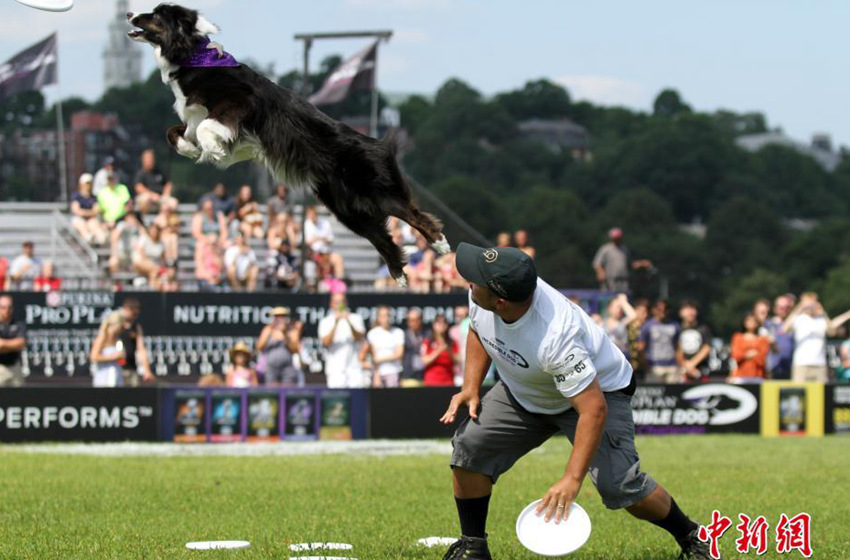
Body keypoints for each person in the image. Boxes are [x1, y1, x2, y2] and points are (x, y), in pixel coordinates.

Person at [439, 243, 711, 560]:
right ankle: (473, 546)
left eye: (475, 279)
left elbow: (593, 410)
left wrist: (572, 478)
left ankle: (693, 537)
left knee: (619, 485)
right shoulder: (484, 296)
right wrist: (471, 387)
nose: (468, 281)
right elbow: (478, 329)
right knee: (471, 448)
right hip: (526, 391)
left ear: (500, 301)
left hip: (597, 394)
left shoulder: (555, 336)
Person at [318, 292, 366, 388]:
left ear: (346, 303)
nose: (340, 305)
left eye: (342, 302)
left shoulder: (355, 318)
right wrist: (336, 322)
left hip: (354, 368)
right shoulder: (325, 321)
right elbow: (326, 342)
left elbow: (359, 338)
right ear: (331, 304)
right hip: (335, 370)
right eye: (337, 302)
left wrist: (348, 321)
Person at [106, 298, 155, 386]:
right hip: (114, 369)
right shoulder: (114, 324)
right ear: (126, 309)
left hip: (131, 369)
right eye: (133, 314)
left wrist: (146, 370)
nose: (134, 317)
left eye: (136, 314)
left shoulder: (136, 327)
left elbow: (141, 349)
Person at [592, 228, 652, 293]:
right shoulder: (606, 249)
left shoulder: (624, 249)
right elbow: (597, 263)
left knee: (623, 298)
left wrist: (641, 263)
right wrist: (600, 272)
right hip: (610, 280)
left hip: (624, 280)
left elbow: (629, 264)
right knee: (610, 299)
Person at [257, 307, 302, 386]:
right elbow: (259, 347)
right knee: (272, 392)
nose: (280, 319)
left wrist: (285, 335)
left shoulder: (292, 330)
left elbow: (296, 350)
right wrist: (270, 333)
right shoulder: (267, 329)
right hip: (271, 368)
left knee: (287, 392)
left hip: (287, 368)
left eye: (282, 316)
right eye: (277, 316)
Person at [639, 300, 681, 383]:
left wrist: (680, 365)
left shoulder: (675, 326)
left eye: (665, 309)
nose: (662, 312)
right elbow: (641, 347)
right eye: (659, 309)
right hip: (654, 367)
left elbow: (678, 347)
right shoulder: (647, 326)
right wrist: (646, 365)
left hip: (672, 366)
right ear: (654, 310)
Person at [367, 306, 405, 388]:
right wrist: (376, 374)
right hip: (378, 373)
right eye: (383, 316)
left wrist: (380, 359)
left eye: (388, 315)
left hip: (394, 372)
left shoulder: (398, 332)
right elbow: (374, 357)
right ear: (378, 318)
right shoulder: (372, 333)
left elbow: (399, 354)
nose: (386, 318)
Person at [304, 205, 345, 279]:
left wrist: (318, 238)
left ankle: (339, 281)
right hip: (313, 254)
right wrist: (320, 238)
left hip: (326, 253)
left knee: (338, 258)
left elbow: (330, 240)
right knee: (315, 261)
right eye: (311, 214)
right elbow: (306, 242)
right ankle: (317, 283)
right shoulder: (305, 225)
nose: (313, 216)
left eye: (314, 213)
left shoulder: (325, 223)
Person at [676, 300, 712, 382]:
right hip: (683, 371)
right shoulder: (677, 329)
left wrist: (692, 364)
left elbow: (706, 348)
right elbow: (677, 349)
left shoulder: (703, 329)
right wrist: (685, 366)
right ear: (681, 312)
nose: (690, 312)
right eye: (687, 309)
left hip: (701, 370)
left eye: (692, 309)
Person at [729, 313, 770, 381]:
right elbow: (736, 355)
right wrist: (749, 354)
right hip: (740, 376)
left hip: (758, 376)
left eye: (753, 321)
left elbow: (762, 359)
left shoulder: (763, 339)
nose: (750, 323)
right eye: (748, 320)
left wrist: (746, 355)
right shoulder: (737, 337)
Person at [763, 294, 795, 380]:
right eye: (781, 308)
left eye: (787, 307)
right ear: (775, 308)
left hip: (791, 368)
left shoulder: (795, 324)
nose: (784, 310)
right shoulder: (768, 324)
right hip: (773, 368)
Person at [90, 311, 126, 387]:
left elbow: (122, 361)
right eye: (120, 327)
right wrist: (113, 357)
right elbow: (93, 357)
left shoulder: (118, 340)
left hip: (116, 376)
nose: (121, 330)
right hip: (104, 377)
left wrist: (121, 358)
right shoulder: (102, 338)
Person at [133, 149, 176, 214]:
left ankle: (163, 220)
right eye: (147, 158)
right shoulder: (140, 174)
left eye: (151, 158)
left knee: (173, 202)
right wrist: (152, 195)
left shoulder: (159, 171)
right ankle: (144, 220)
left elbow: (168, 184)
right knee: (145, 198)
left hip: (160, 198)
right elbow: (138, 187)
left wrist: (166, 194)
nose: (150, 160)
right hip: (149, 198)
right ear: (143, 160)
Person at [70, 173, 107, 245]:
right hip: (80, 220)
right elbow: (76, 210)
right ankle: (88, 238)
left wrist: (84, 212)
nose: (88, 186)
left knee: (93, 223)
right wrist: (90, 212)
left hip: (90, 220)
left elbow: (96, 210)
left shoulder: (93, 197)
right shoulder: (76, 196)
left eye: (89, 183)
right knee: (78, 222)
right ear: (81, 184)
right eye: (86, 183)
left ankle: (99, 240)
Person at [422, 314, 459, 386]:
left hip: (448, 381)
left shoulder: (452, 342)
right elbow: (424, 361)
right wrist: (438, 351)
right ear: (433, 325)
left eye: (444, 322)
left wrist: (449, 351)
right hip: (431, 382)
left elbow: (458, 361)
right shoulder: (428, 342)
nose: (442, 325)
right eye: (439, 322)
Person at [0, 295, 26, 387]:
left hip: (15, 366)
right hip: (1, 367)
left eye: (9, 307)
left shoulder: (18, 323)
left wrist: (3, 344)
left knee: (18, 399)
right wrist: (12, 345)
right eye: (3, 307)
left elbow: (21, 343)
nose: (6, 310)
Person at [132, 223, 166, 289]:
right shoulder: (144, 238)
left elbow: (163, 258)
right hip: (142, 262)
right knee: (154, 270)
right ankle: (152, 289)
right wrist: (151, 264)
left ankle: (155, 289)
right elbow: (141, 252)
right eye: (152, 231)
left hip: (154, 266)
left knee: (159, 280)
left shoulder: (161, 243)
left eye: (155, 231)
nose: (154, 233)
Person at [602, 294, 637, 358]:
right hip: (606, 359)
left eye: (621, 308)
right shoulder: (601, 323)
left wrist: (623, 302)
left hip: (621, 358)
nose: (619, 310)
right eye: (616, 307)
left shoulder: (622, 322)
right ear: (609, 308)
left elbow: (633, 315)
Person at [401, 309, 426, 386]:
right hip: (408, 377)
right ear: (408, 321)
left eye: (417, 319)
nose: (415, 322)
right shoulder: (403, 335)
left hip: (424, 376)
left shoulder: (427, 335)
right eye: (412, 320)